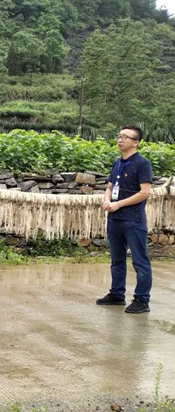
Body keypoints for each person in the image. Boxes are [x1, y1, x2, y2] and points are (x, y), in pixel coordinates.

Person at [96, 125, 153, 314]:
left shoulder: (142, 164)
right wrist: (107, 200)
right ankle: (117, 294)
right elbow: (110, 186)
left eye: (125, 137)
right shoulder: (117, 162)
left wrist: (119, 204)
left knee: (140, 261)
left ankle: (142, 300)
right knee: (117, 260)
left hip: (134, 220)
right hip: (115, 219)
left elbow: (145, 192)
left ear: (135, 142)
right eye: (119, 136)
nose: (120, 140)